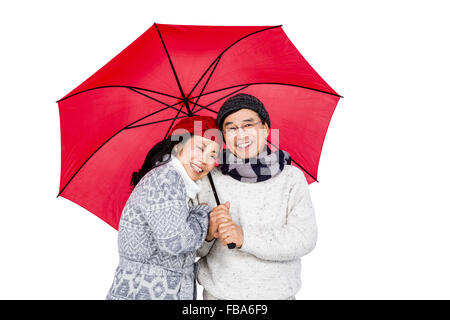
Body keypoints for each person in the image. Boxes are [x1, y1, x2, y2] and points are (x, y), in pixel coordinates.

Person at [196, 93, 318, 300]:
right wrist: (207, 233)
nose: (241, 134)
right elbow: (194, 251)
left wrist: (245, 237)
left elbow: (304, 238)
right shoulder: (208, 180)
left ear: (265, 128)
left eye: (248, 124)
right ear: (223, 136)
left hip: (279, 296)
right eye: (231, 128)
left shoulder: (291, 178)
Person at [106, 116, 221, 300]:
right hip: (145, 291)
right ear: (178, 145)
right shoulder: (167, 179)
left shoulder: (178, 184)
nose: (205, 159)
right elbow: (175, 243)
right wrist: (202, 217)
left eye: (213, 155)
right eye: (200, 148)